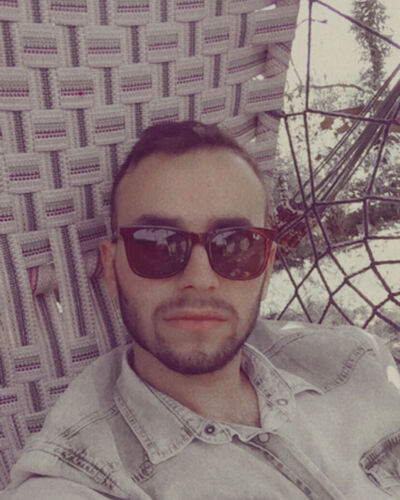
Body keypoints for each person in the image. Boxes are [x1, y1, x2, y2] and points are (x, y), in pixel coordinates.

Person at [2, 121, 400, 500]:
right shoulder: (85, 478)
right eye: (156, 244)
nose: (200, 278)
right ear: (111, 268)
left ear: (266, 269)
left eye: (236, 244)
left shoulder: (356, 359)